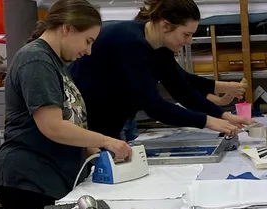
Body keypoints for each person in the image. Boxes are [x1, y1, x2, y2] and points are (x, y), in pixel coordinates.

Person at [0, 0, 132, 209]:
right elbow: (53, 126)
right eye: (88, 41)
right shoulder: (36, 60)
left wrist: (93, 152)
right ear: (67, 28)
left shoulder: (54, 61)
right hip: (31, 179)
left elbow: (69, 119)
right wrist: (106, 141)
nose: (88, 51)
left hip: (50, 175)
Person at [70, 0, 250, 140]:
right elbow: (154, 106)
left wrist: (223, 115)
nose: (189, 41)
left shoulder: (161, 47)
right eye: (186, 34)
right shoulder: (130, 43)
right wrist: (208, 121)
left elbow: (182, 89)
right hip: (87, 123)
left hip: (113, 119)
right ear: (165, 26)